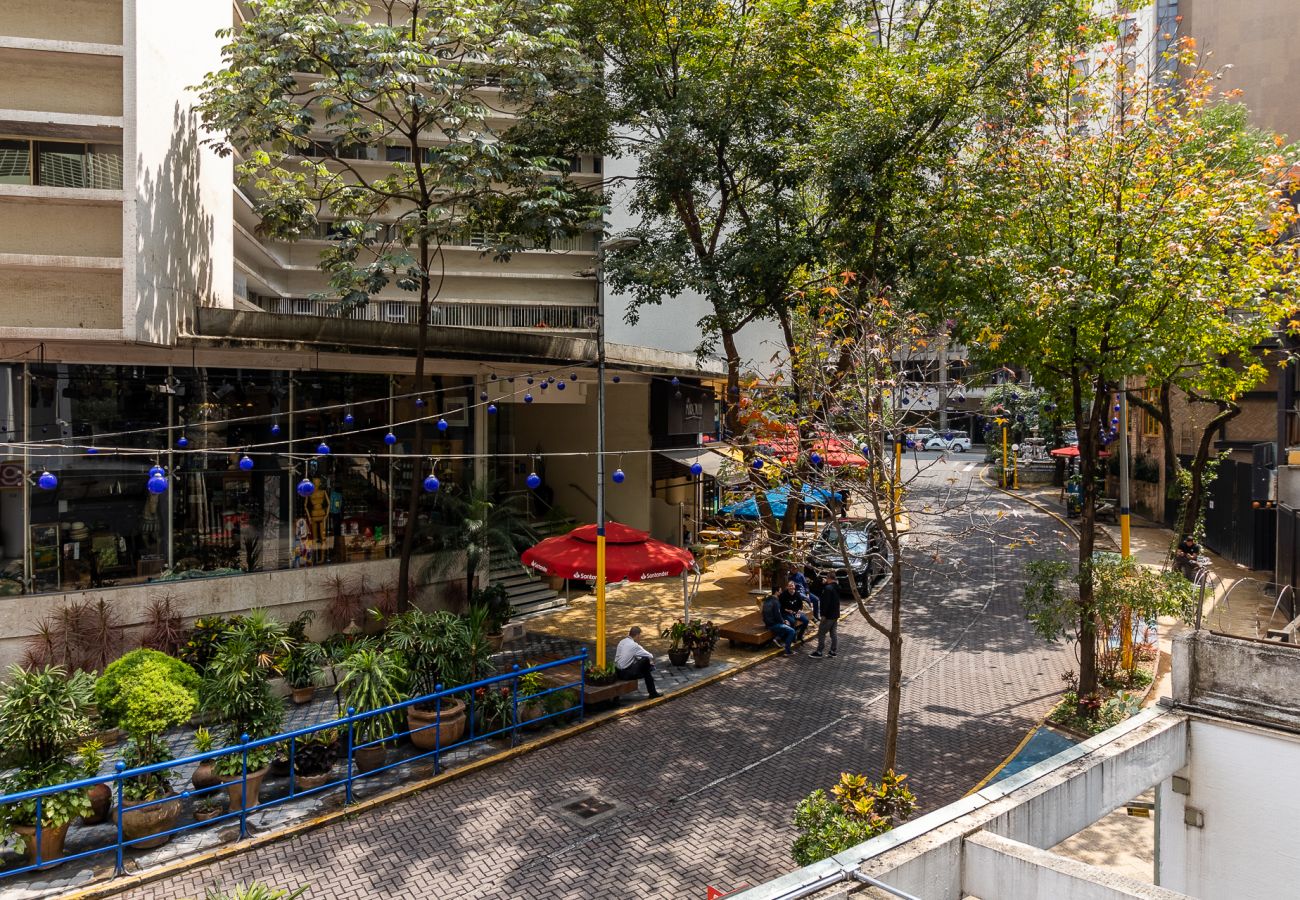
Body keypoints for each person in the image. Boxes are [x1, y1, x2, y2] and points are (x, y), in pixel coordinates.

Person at [614, 626, 661, 698]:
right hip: (625, 674)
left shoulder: (622, 641)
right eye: (640, 636)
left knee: (645, 666)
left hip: (617, 671)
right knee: (646, 662)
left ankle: (652, 692)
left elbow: (632, 654)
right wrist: (649, 662)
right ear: (637, 635)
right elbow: (650, 655)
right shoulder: (634, 645)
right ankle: (652, 693)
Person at [809, 571, 841, 658]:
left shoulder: (827, 589)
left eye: (827, 578)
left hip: (828, 615)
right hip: (835, 614)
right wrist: (825, 584)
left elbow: (825, 603)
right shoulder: (837, 587)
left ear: (829, 578)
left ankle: (819, 651)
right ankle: (832, 651)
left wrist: (823, 615)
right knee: (833, 633)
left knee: (821, 633)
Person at [761, 590, 798, 656]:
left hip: (768, 623)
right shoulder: (776, 602)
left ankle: (777, 639)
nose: (781, 592)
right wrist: (784, 621)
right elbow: (777, 615)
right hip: (773, 625)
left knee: (785, 626)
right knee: (791, 631)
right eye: (780, 591)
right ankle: (788, 651)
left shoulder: (767, 600)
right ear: (776, 592)